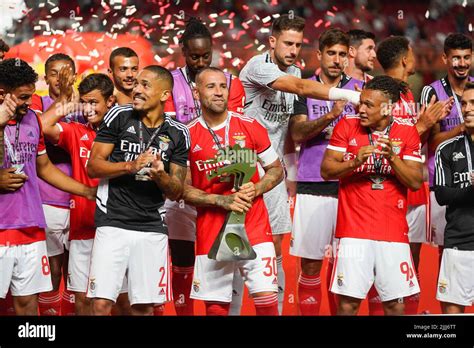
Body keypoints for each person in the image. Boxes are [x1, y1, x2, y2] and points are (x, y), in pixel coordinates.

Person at [239, 13, 360, 314]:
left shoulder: (293, 67)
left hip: (275, 171)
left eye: (298, 44)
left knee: (274, 246)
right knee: (244, 246)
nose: (293, 50)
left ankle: (275, 309)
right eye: (288, 43)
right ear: (272, 41)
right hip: (246, 167)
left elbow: (287, 130)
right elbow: (304, 89)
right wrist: (348, 95)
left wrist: (288, 171)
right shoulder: (258, 67)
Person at [86, 65, 189, 316]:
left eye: (145, 85)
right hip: (113, 220)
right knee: (100, 304)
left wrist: (161, 175)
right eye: (137, 84)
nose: (137, 90)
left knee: (144, 307)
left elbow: (177, 191)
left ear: (164, 95)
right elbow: (93, 166)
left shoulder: (178, 132)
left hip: (152, 226)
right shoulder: (118, 116)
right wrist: (130, 165)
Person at [184, 67, 283, 316]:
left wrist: (258, 186)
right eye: (211, 87)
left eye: (222, 86)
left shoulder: (250, 126)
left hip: (254, 225)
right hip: (211, 229)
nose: (219, 92)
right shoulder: (186, 134)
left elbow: (276, 169)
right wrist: (221, 201)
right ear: (196, 93)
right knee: (216, 308)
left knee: (267, 298)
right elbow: (182, 190)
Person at [163, 17, 246, 316]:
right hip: (184, 175)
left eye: (206, 55)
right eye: (194, 56)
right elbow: (172, 130)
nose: (200, 62)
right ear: (183, 50)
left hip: (219, 181)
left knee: (224, 260)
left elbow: (232, 128)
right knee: (183, 258)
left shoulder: (227, 82)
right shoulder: (170, 81)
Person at [321, 75, 423, 315]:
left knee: (395, 305)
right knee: (348, 304)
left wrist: (392, 159)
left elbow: (415, 182)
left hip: (393, 232)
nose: (361, 108)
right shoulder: (347, 125)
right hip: (353, 231)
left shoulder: (407, 131)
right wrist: (355, 162)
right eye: (361, 102)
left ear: (387, 108)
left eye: (368, 105)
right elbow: (326, 170)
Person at [0, 58, 95, 315]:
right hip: (1, 228)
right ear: (2, 93)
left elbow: (44, 168)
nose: (29, 103)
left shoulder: (31, 119)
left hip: (31, 226)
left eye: (31, 96)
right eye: (22, 97)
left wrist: (86, 191)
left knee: (28, 305)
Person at [289, 28, 363, 315]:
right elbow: (297, 132)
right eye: (331, 53)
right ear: (319, 55)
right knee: (310, 265)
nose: (336, 59)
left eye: (342, 54)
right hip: (313, 183)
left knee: (343, 267)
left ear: (349, 56)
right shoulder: (303, 87)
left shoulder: (359, 89)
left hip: (350, 185)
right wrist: (332, 115)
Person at [374, 35, 450, 314]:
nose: (416, 57)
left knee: (411, 262)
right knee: (385, 260)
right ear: (405, 59)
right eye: (412, 53)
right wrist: (422, 124)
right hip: (390, 188)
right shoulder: (381, 93)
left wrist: (435, 120)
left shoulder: (407, 93)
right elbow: (386, 142)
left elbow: (412, 138)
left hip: (414, 187)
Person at [41, 72, 119, 315]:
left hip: (117, 228)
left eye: (94, 102)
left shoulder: (125, 133)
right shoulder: (77, 132)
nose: (88, 108)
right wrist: (68, 100)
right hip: (82, 228)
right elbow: (44, 124)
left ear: (111, 102)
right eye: (84, 102)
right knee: (82, 300)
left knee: (116, 300)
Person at [31, 53, 79, 316]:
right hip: (47, 199)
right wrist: (64, 102)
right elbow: (38, 130)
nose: (60, 79)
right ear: (45, 76)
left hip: (81, 201)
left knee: (77, 270)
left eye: (66, 73)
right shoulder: (37, 102)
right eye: (54, 73)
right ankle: (49, 320)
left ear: (75, 75)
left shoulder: (87, 104)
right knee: (52, 267)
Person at [421, 33, 473, 254]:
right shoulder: (432, 91)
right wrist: (460, 128)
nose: (462, 64)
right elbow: (430, 143)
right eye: (456, 58)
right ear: (445, 58)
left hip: (471, 179)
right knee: (447, 247)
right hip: (443, 183)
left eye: (466, 57)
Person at [434, 81, 474, 314]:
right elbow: (442, 194)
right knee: (452, 313)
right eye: (464, 104)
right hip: (458, 242)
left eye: (473, 104)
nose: (467, 109)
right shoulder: (446, 148)